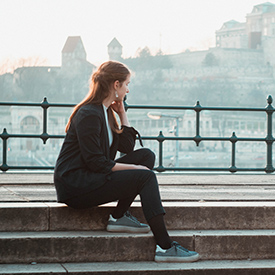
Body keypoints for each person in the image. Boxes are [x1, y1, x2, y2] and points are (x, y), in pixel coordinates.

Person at [54, 61, 199, 262]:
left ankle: (119, 216)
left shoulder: (106, 112)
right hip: (76, 185)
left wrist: (122, 114)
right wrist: (135, 169)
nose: (128, 89)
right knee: (145, 176)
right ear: (116, 85)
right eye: (126, 84)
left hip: (92, 176)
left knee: (146, 156)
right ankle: (165, 247)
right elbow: (96, 162)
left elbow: (127, 147)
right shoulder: (89, 113)